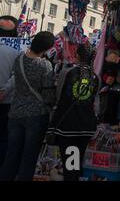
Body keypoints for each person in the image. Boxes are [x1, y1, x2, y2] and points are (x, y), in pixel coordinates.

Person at [0, 31, 55, 181]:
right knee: (28, 157)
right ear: (47, 48)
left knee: (12, 155)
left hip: (16, 111)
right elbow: (49, 94)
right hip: (36, 115)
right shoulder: (45, 65)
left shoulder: (18, 59)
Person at [46, 42, 99, 181]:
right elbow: (95, 104)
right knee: (76, 164)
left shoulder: (67, 72)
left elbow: (58, 96)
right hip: (86, 127)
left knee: (71, 166)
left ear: (77, 55)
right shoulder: (95, 77)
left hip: (69, 127)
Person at [0, 16, 19, 167]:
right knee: (3, 137)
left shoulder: (16, 52)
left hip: (6, 100)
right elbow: (15, 76)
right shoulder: (16, 52)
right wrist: (4, 91)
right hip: (6, 101)